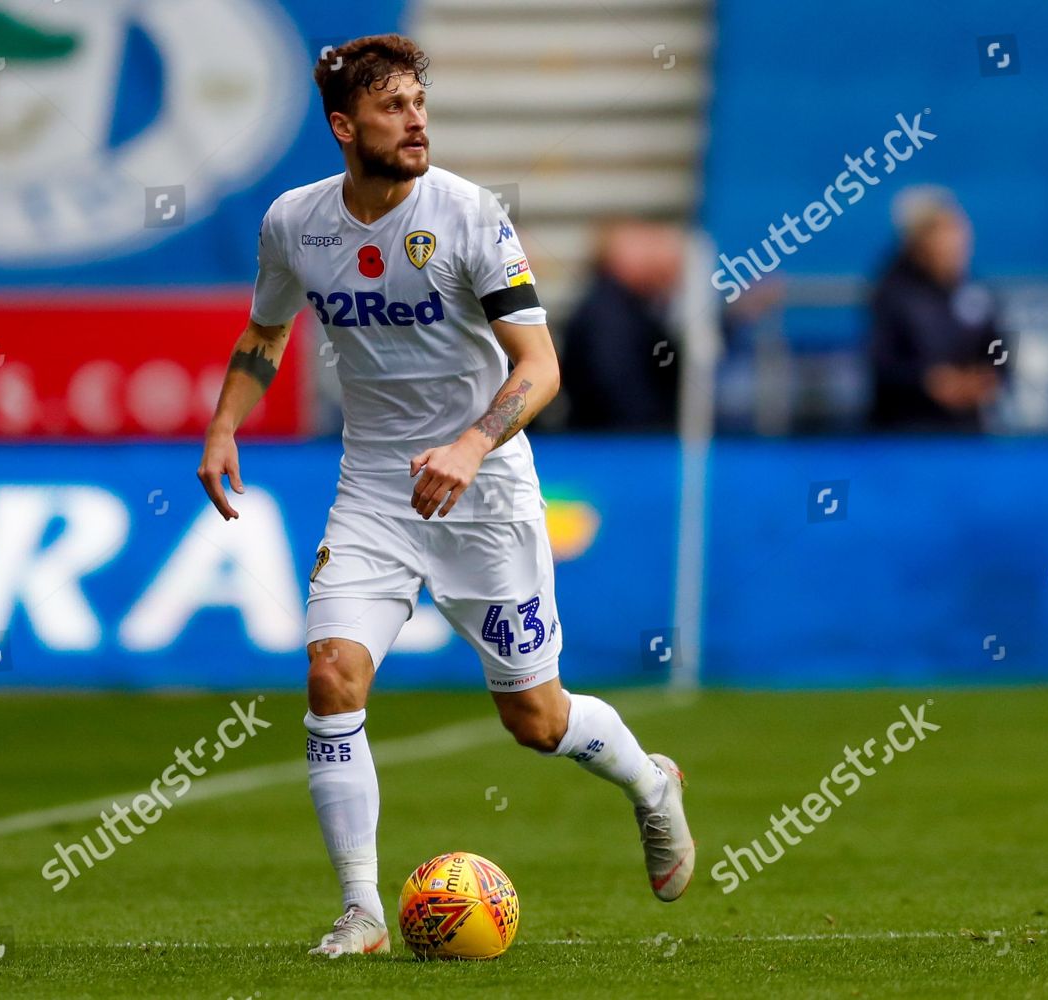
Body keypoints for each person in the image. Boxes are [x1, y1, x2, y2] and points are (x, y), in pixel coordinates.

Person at [196, 34, 695, 958]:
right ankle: (361, 912)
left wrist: (471, 443)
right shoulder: (293, 225)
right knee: (332, 676)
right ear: (346, 127)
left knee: (534, 719)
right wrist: (226, 422)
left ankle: (651, 782)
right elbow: (265, 331)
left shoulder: (471, 216)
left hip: (488, 492)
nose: (416, 120)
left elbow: (539, 366)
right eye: (394, 108)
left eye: (421, 104)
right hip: (376, 494)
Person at [867, 186, 1006, 431]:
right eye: (941, 232)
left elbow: (998, 346)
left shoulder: (976, 291)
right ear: (918, 241)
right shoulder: (892, 294)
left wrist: (988, 377)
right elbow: (883, 365)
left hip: (969, 433)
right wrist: (929, 382)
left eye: (956, 229)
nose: (954, 241)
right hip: (908, 433)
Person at [561, 221, 686, 431]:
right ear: (615, 258)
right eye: (642, 249)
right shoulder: (606, 314)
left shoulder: (633, 306)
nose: (650, 258)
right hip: (615, 445)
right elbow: (614, 388)